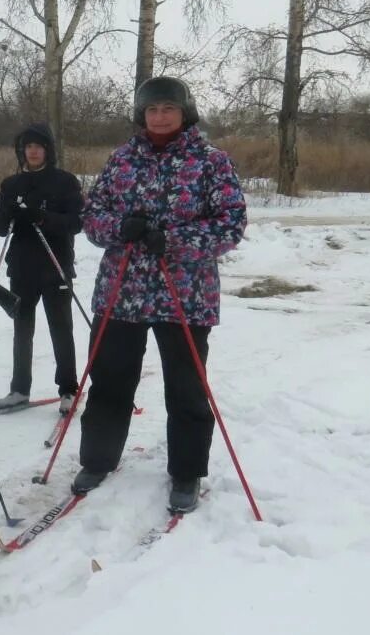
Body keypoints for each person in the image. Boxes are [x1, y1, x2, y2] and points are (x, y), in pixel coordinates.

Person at [72, 76, 246, 513]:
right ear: (141, 114)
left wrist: (174, 239)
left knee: (187, 389)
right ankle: (98, 459)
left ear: (184, 112)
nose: (160, 116)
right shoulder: (122, 159)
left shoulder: (211, 162)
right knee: (109, 380)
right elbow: (93, 216)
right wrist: (118, 228)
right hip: (122, 291)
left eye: (168, 108)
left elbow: (230, 225)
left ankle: (186, 472)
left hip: (184, 294)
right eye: (152, 110)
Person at [0, 123, 84, 412]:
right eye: (28, 147)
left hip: (55, 266)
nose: (32, 151)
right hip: (22, 268)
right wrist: (7, 212)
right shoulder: (11, 185)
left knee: (61, 328)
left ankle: (68, 389)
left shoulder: (65, 182)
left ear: (48, 150)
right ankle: (19, 389)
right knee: (22, 330)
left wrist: (41, 217)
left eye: (38, 146)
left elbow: (76, 223)